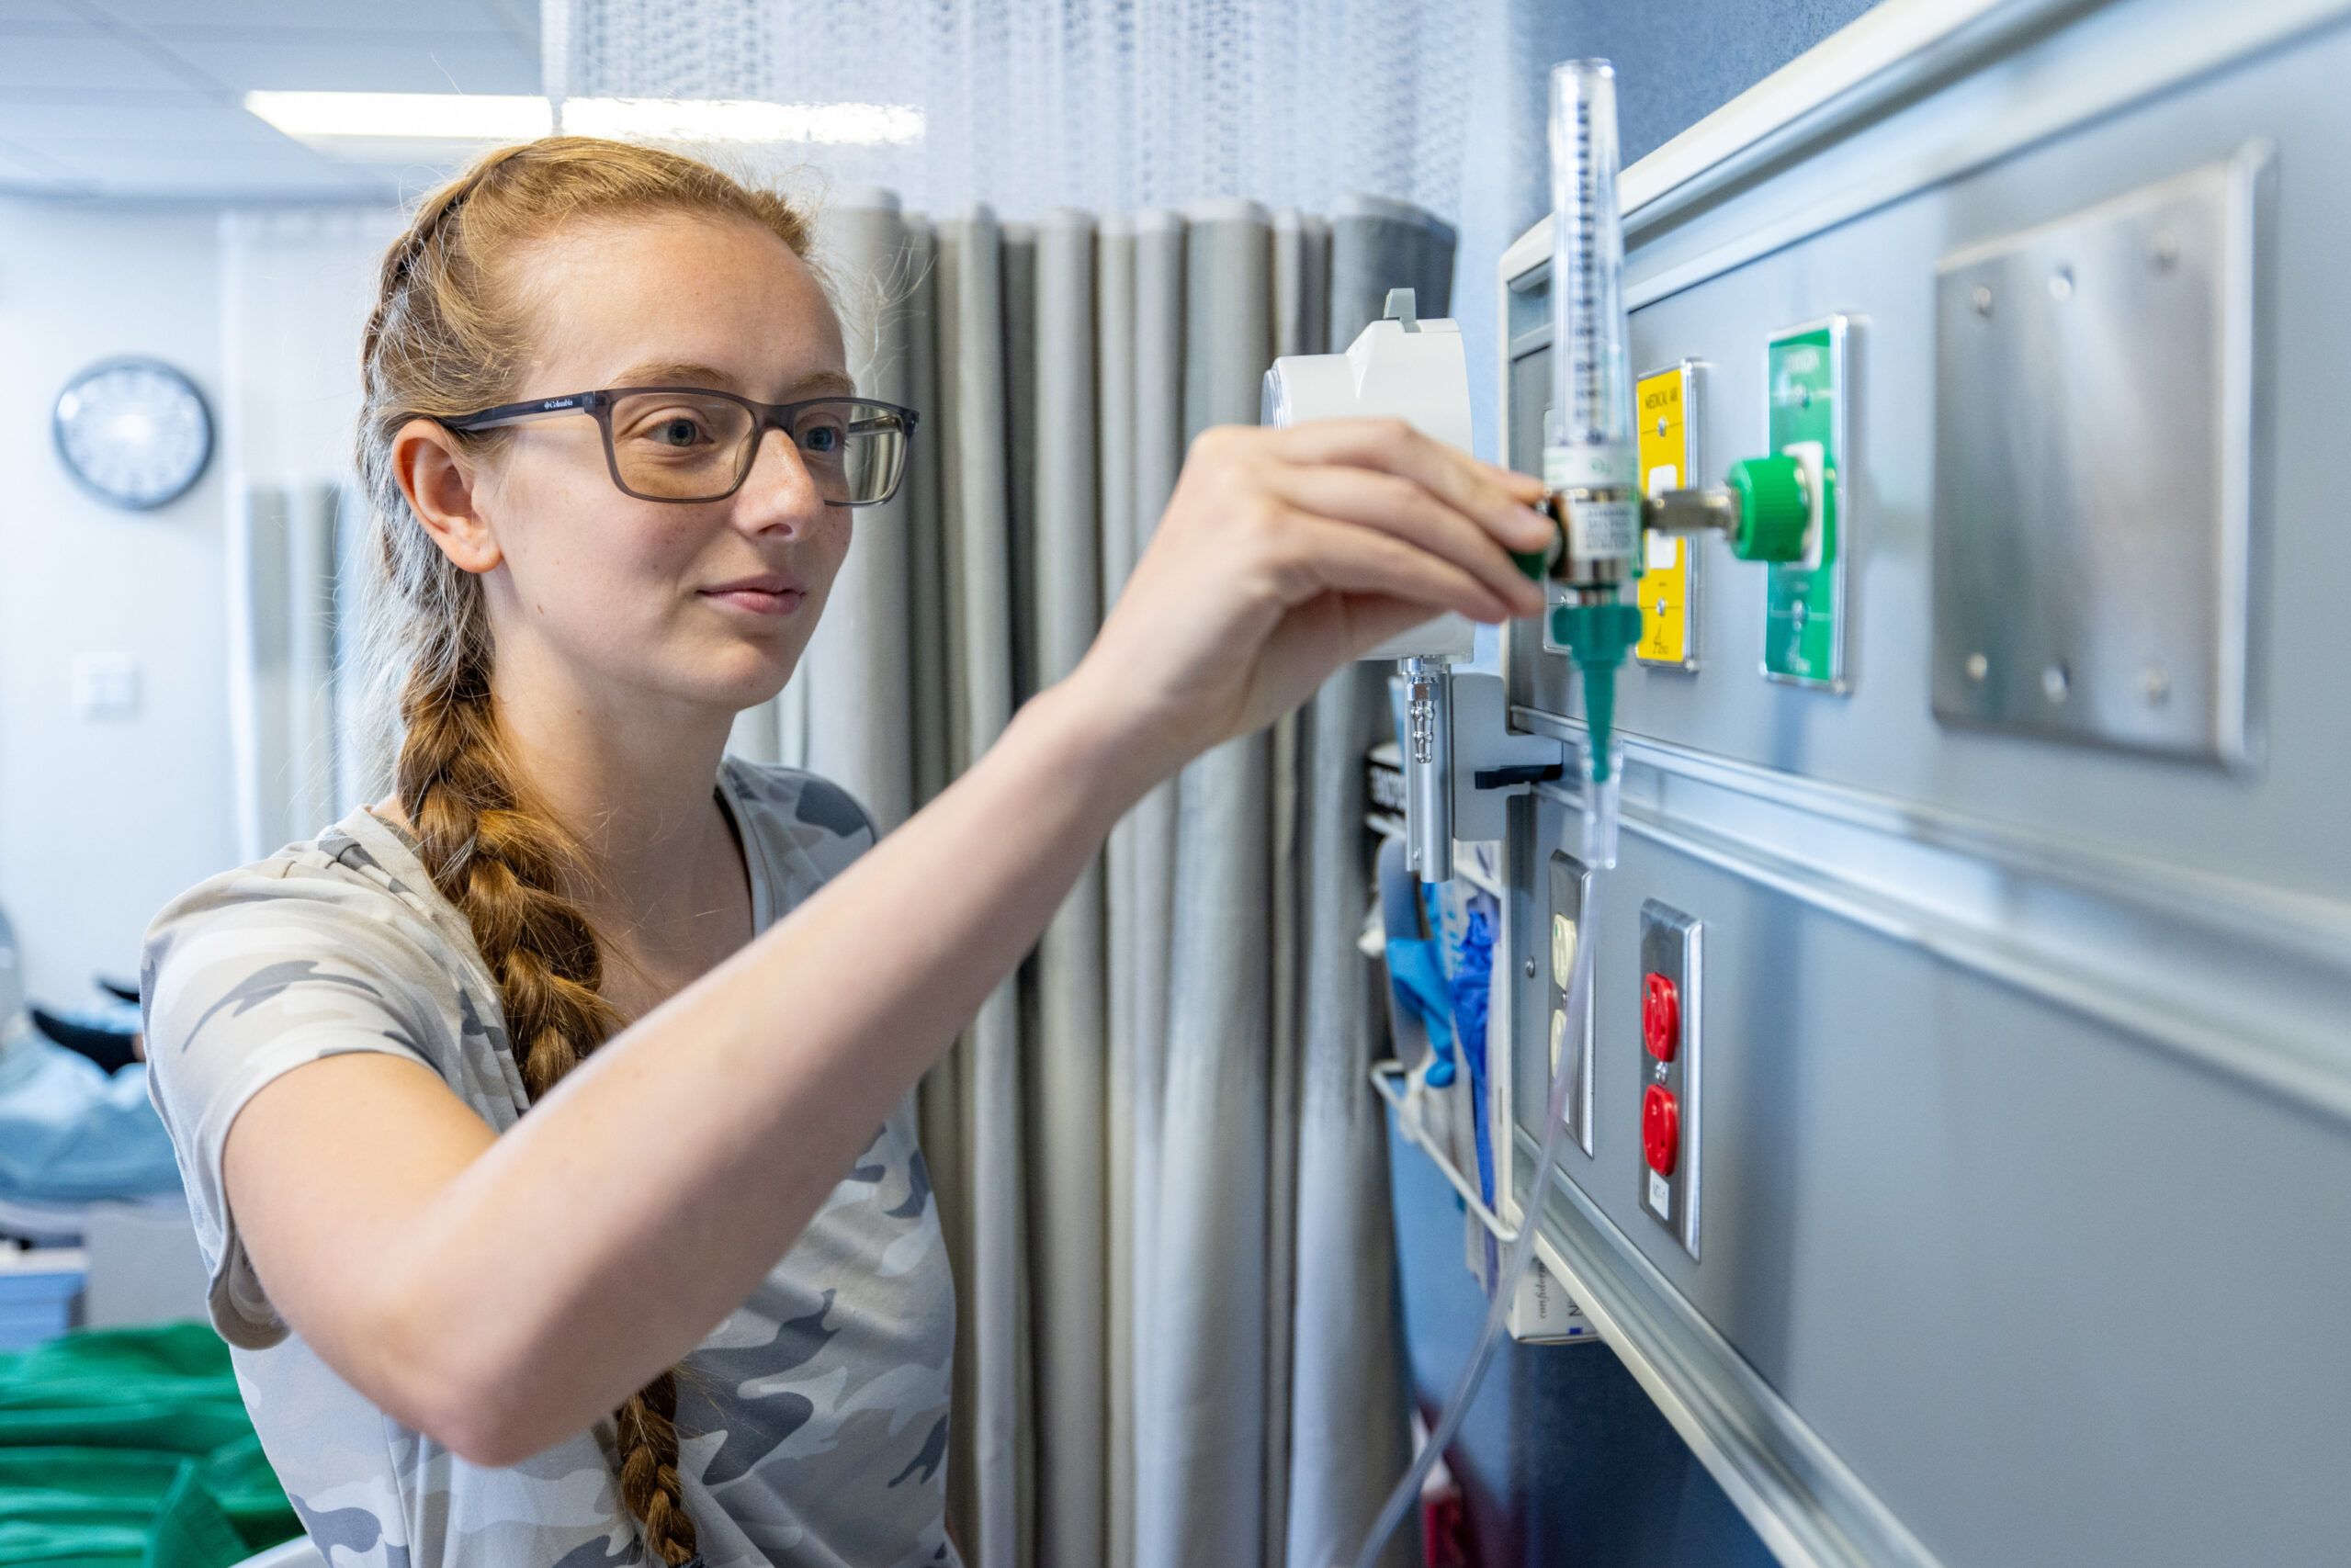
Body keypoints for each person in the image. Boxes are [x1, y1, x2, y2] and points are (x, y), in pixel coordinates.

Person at [140, 136, 1552, 1568]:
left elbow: (872, 1471)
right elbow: (473, 1360)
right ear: (453, 494)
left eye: (818, 431)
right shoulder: (272, 961)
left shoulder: (812, 852)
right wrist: (1104, 729)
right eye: (682, 428)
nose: (793, 501)